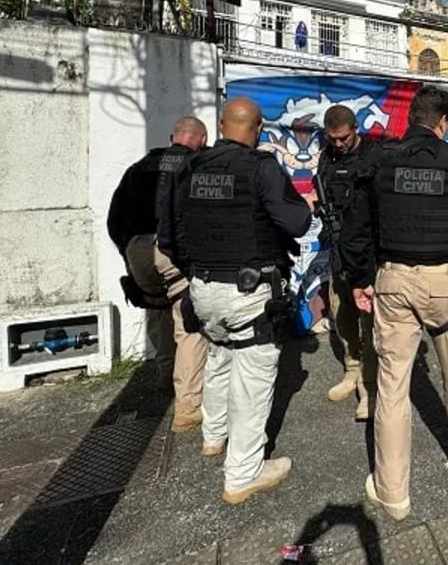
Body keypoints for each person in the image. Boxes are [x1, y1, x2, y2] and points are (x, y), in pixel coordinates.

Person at [341, 85, 448, 521]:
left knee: (391, 388)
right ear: (442, 123)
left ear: (411, 119)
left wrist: (360, 280)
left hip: (392, 279)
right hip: (446, 280)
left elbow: (354, 230)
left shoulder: (380, 162)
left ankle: (393, 493)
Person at [160, 97, 312, 505]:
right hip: (248, 292)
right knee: (253, 379)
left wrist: (197, 269)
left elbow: (169, 235)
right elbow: (297, 222)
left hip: (202, 287)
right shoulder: (261, 168)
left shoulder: (190, 168)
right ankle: (244, 473)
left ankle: (213, 437)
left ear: (221, 124)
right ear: (259, 128)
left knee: (219, 356)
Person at [107, 117, 210, 433]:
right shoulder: (197, 167)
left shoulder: (137, 168)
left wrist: (129, 251)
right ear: (203, 140)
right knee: (189, 323)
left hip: (137, 248)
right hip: (173, 248)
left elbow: (114, 218)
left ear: (171, 137)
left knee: (157, 308)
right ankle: (188, 406)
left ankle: (165, 376)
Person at [315, 104, 383, 420]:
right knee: (341, 311)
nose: (338, 144)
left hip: (369, 252)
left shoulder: (375, 154)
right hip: (338, 249)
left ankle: (369, 385)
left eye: (343, 138)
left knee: (369, 320)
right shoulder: (327, 157)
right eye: (333, 139)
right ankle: (352, 369)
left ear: (355, 129)